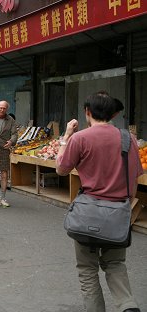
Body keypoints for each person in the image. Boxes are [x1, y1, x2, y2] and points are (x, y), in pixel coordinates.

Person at [55, 92, 142, 312]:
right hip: (118, 214)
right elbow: (133, 181)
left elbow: (61, 169)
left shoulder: (80, 138)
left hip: (88, 214)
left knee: (87, 269)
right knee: (115, 264)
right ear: (113, 113)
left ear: (87, 112)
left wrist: (65, 136)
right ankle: (127, 305)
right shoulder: (128, 139)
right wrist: (125, 207)